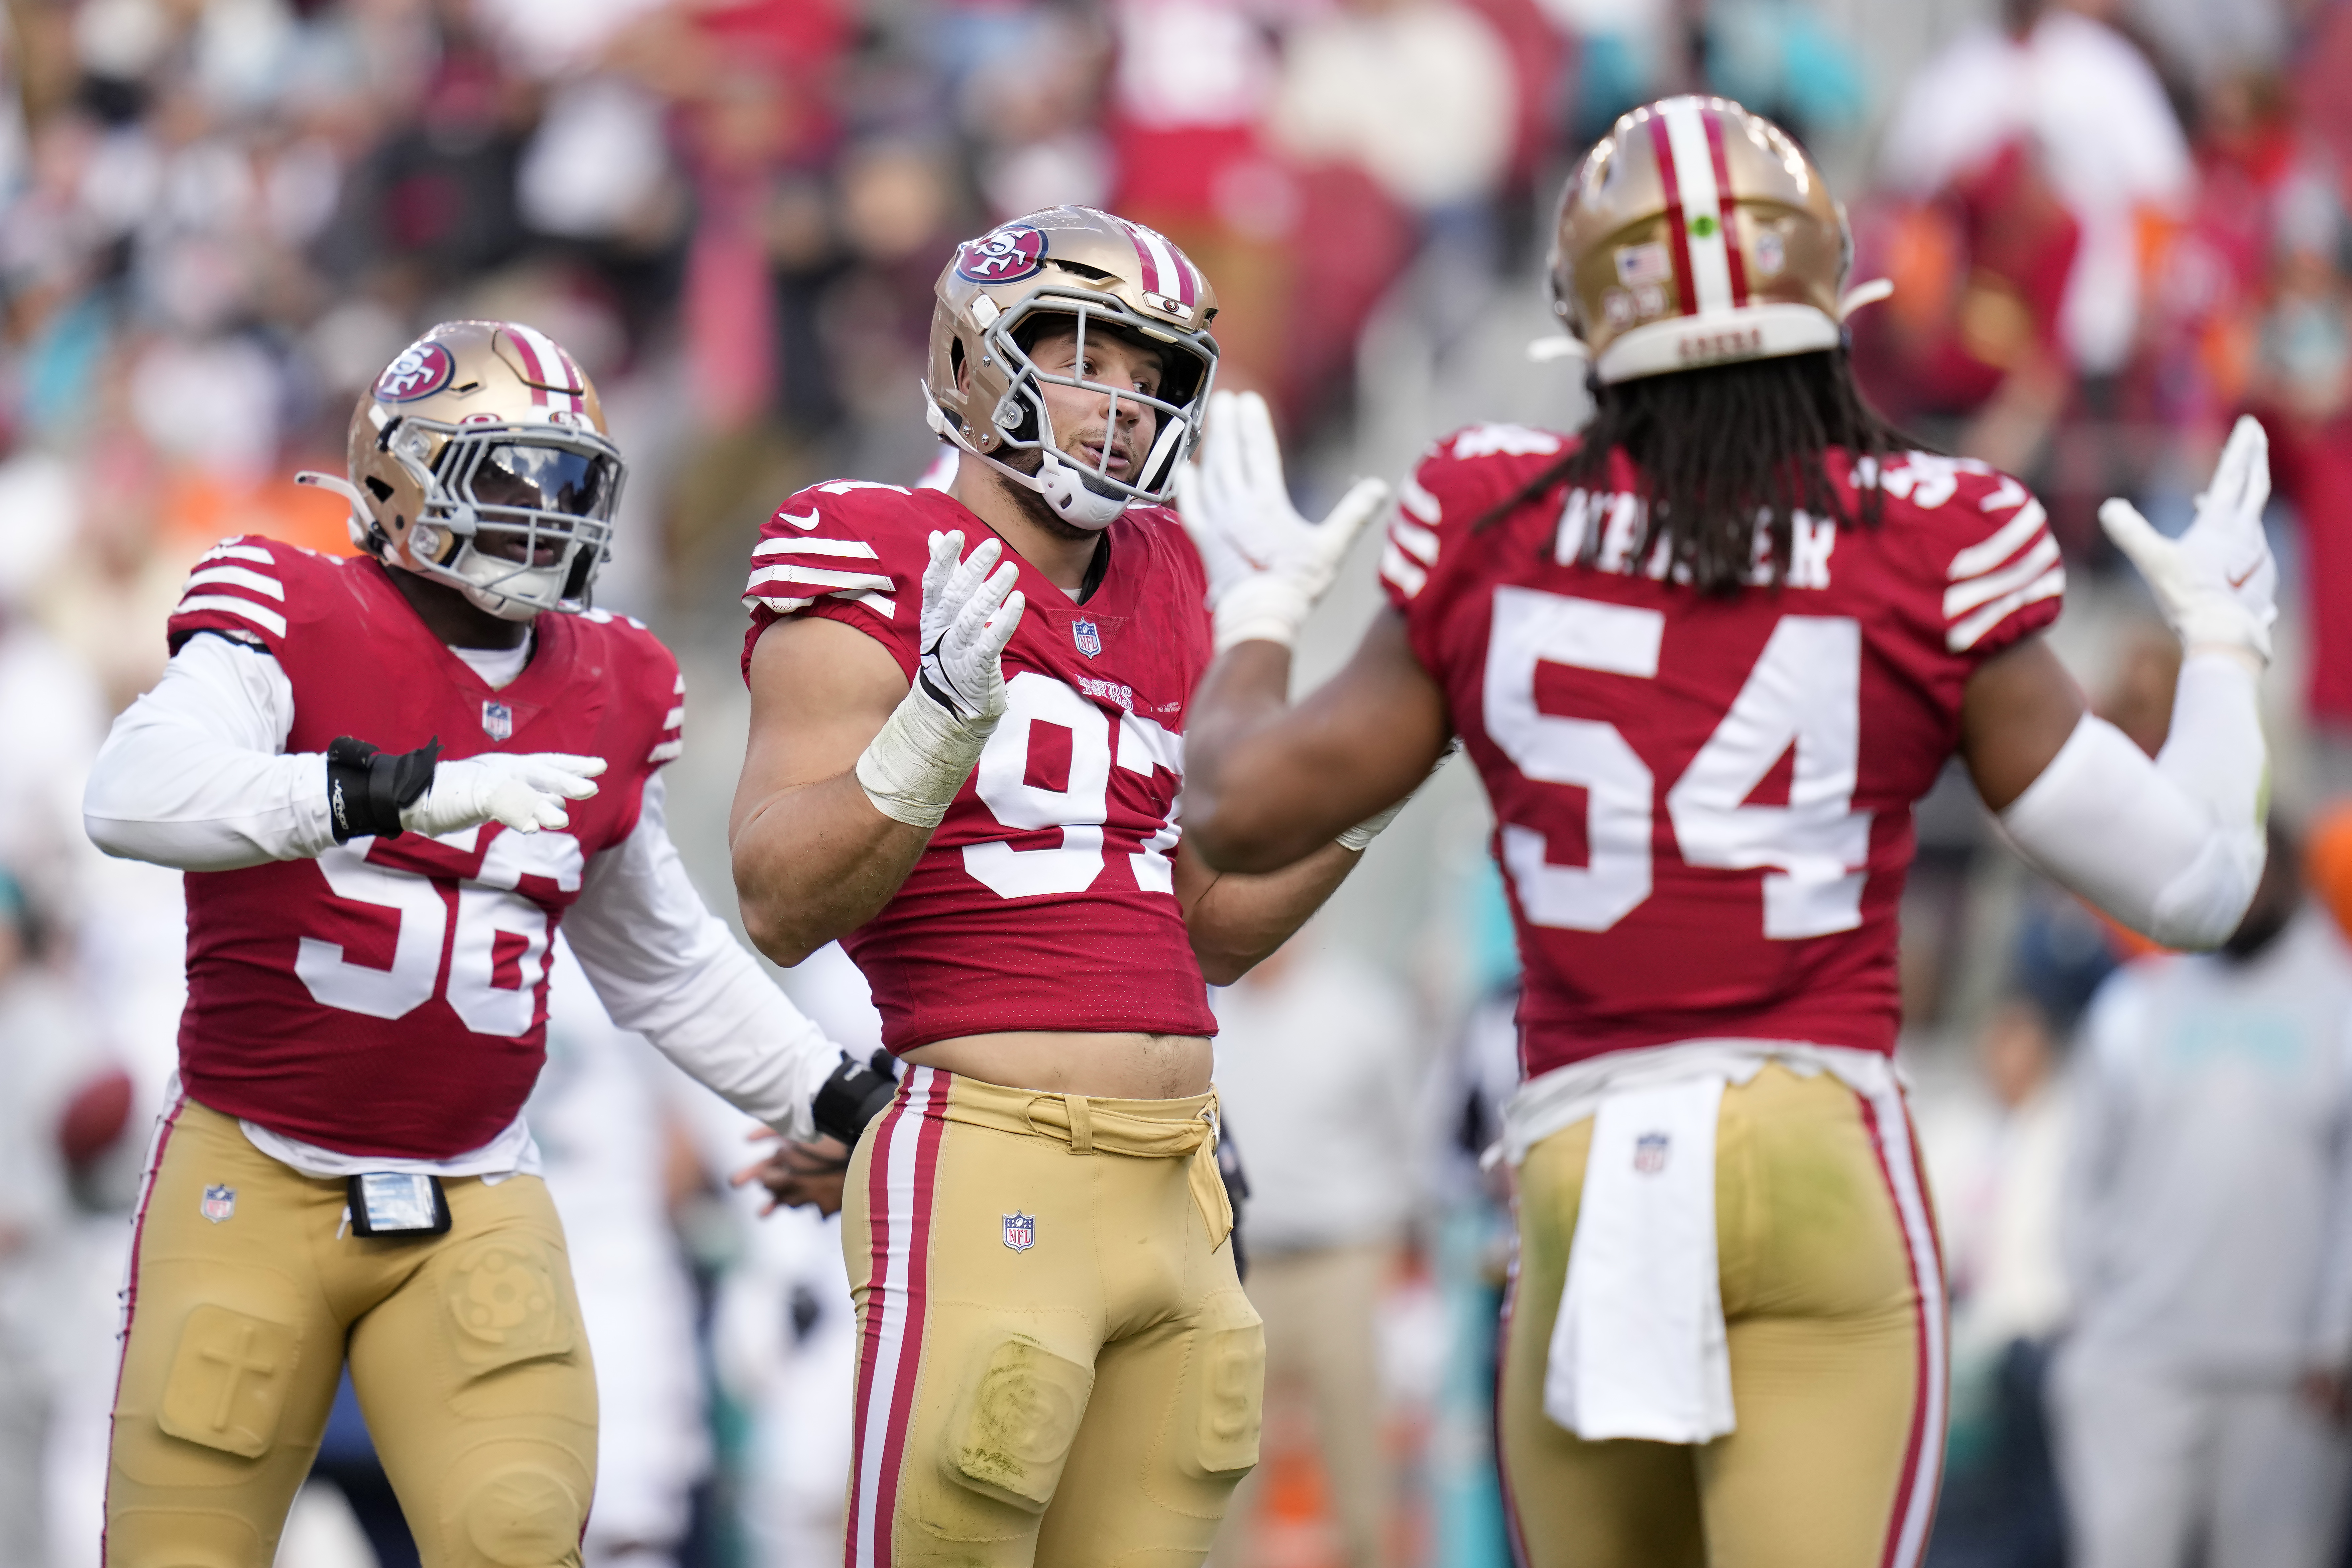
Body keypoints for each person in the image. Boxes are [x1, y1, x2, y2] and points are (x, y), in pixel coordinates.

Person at [1175, 95, 2275, 1568]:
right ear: (1827, 290)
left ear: (1585, 323)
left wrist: (1253, 610)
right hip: (1816, 1141)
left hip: (1578, 1161)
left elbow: (1234, 808)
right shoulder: (1921, 535)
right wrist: (2220, 648)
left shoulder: (1496, 524)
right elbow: (2199, 881)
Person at [80, 320, 879, 1568]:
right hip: (256, 1166)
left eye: (565, 484)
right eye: (505, 476)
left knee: (519, 1533)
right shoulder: (291, 606)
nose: (541, 514)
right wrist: (374, 793)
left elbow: (657, 956)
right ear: (399, 476)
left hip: (472, 1185)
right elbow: (132, 792)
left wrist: (831, 1090)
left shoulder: (615, 681)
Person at [726, 204, 1402, 1568]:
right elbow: (780, 896)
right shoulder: (863, 541)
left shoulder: (1171, 575)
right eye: (1095, 356)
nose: (1125, 406)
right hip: (993, 1149)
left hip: (1180, 1175)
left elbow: (1206, 926)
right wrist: (929, 732)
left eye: (1156, 380)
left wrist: (1388, 752)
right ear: (979, 360)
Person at [2053, 823, 2352, 1568]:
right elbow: (2081, 1172)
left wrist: (2336, 1333)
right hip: (2139, 1360)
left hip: (2283, 1373)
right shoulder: (2133, 1005)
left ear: (2290, 877)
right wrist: (2092, 1311)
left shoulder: (2341, 1006)